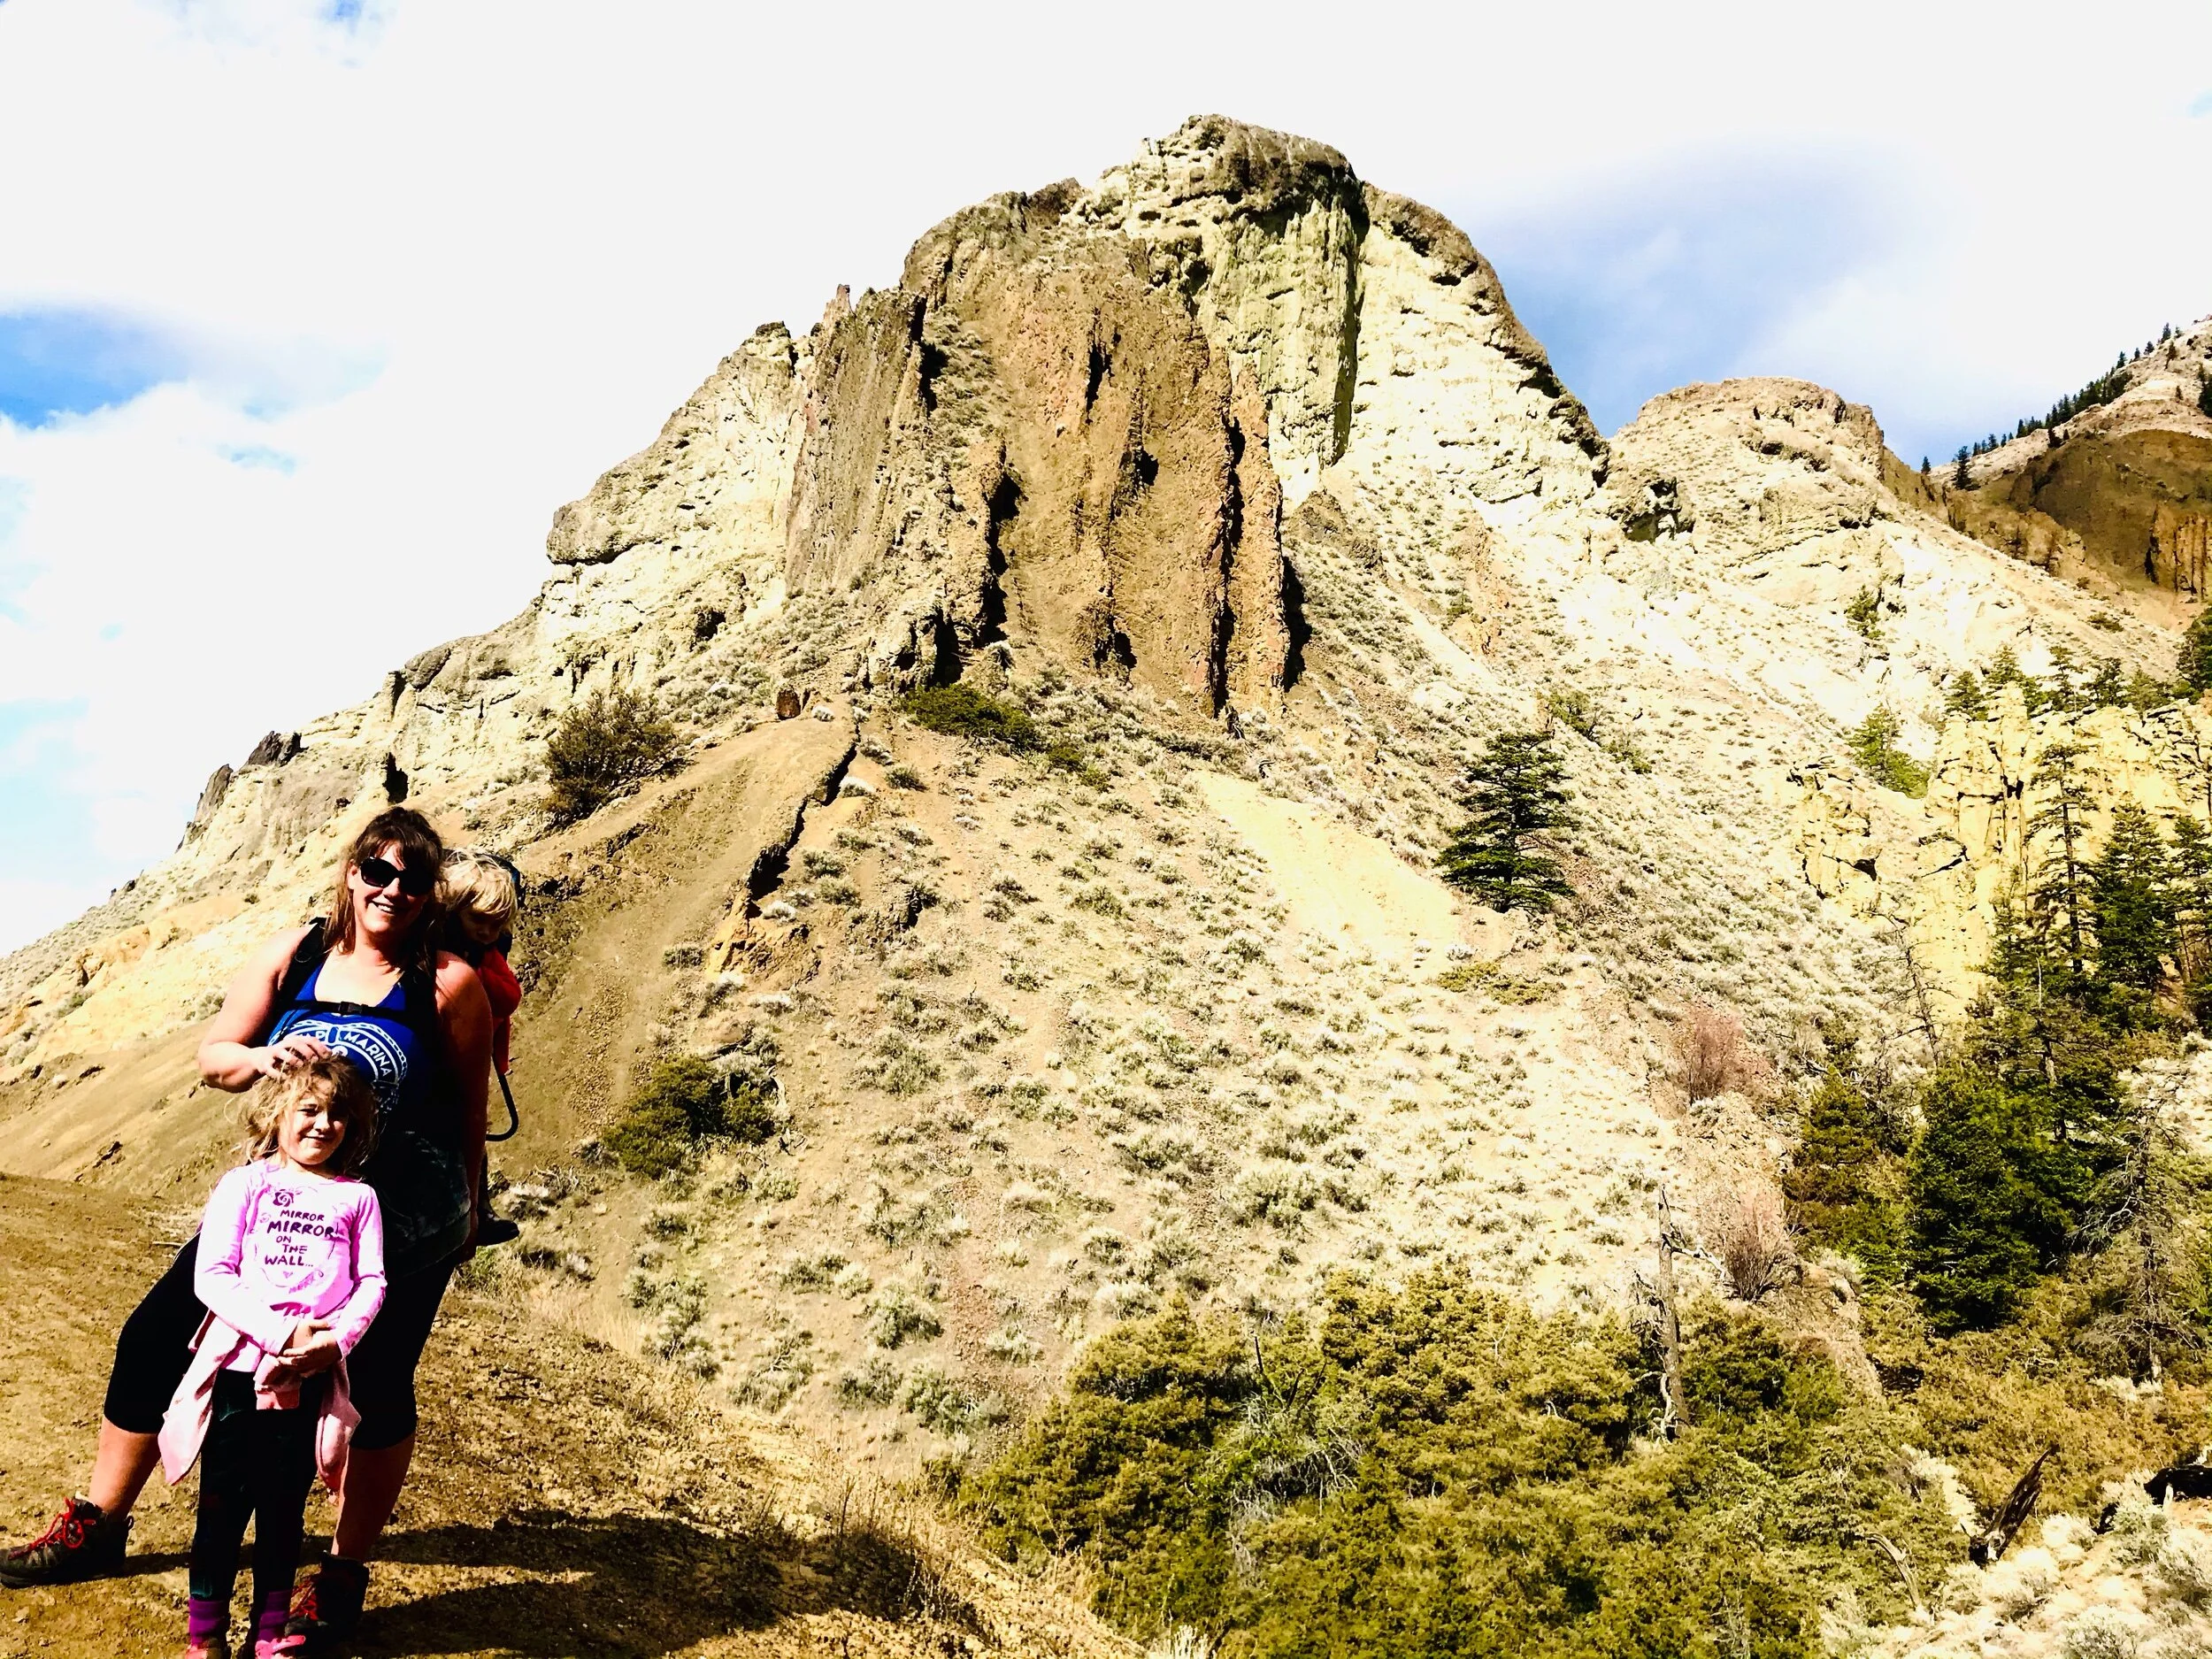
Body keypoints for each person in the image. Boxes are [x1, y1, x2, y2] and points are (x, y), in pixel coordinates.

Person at [0, 807, 491, 1651]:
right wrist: (264, 1059)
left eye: (412, 877)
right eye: (378, 869)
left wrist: (471, 1210)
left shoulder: (446, 982)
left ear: (428, 890)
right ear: (352, 871)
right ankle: (99, 1521)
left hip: (393, 1223)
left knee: (373, 1387)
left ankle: (338, 1577)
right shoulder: (296, 956)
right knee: (157, 1337)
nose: (393, 889)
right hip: (272, 1212)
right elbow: (216, 1055)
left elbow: (468, 1111)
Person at [160, 1057, 386, 1659]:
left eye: (338, 1113)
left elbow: (373, 1281)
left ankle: (269, 1632)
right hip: (239, 1371)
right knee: (221, 1510)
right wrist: (281, 1333)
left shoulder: (359, 1198)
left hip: (309, 1375)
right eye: (309, 1109)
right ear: (278, 1113)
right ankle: (205, 1638)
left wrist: (333, 1344)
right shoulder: (246, 1183)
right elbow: (212, 1275)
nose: (323, 1123)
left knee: (284, 1513)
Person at [437, 849, 524, 1248]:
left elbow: (508, 998)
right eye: (479, 921)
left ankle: (477, 1207)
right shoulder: (434, 948)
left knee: (471, 1124)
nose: (488, 932)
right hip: (440, 1047)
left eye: (497, 924)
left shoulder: (485, 955)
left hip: (468, 1048)